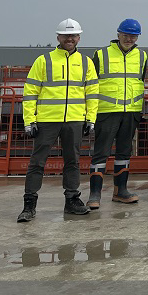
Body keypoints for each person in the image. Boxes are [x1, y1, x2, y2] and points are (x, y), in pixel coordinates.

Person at [18, 18, 98, 222]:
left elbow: (92, 92)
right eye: (65, 35)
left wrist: (91, 119)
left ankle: (72, 200)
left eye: (73, 35)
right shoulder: (43, 61)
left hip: (74, 120)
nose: (69, 38)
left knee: (73, 161)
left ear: (79, 38)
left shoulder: (86, 62)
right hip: (47, 121)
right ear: (58, 37)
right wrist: (30, 121)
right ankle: (29, 205)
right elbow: (30, 92)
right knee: (37, 162)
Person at [87, 18, 147, 209]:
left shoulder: (142, 56)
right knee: (101, 153)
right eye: (126, 35)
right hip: (107, 112)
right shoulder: (101, 54)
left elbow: (139, 81)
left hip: (130, 112)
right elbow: (91, 84)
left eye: (133, 35)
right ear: (118, 34)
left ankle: (120, 191)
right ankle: (95, 194)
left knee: (124, 153)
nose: (129, 39)